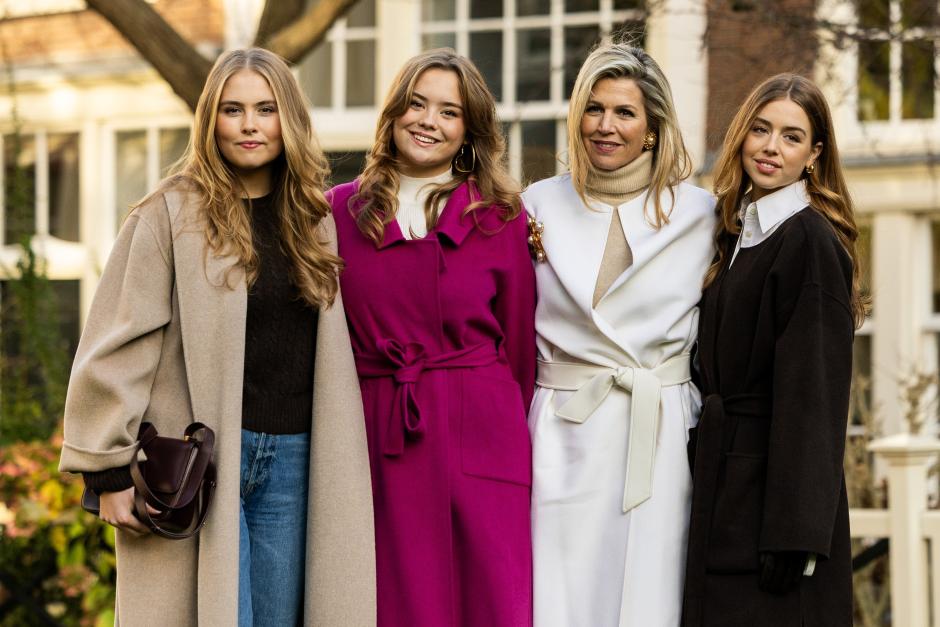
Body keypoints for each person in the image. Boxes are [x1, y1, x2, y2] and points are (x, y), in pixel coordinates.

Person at [58, 48, 376, 626]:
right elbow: (117, 340)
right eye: (233, 109)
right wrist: (105, 471)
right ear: (211, 119)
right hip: (197, 461)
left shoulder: (314, 219)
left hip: (294, 462)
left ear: (289, 120)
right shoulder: (167, 214)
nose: (250, 125)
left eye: (265, 108)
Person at [327, 48, 536, 627]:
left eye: (448, 111)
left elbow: (519, 346)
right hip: (380, 430)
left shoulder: (501, 216)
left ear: (469, 129)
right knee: (395, 598)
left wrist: (493, 419)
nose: (428, 121)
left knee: (489, 597)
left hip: (482, 430)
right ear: (393, 114)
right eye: (416, 104)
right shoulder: (339, 212)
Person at [522, 42, 716, 626]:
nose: (606, 126)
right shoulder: (535, 205)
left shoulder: (701, 215)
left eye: (625, 113)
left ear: (654, 128)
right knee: (560, 593)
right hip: (563, 428)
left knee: (649, 591)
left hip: (657, 429)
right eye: (594, 108)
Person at [682, 73, 862, 627]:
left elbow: (816, 395)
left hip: (774, 515)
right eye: (760, 130)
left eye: (790, 136)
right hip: (724, 488)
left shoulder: (810, 241)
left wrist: (796, 535)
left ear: (814, 154)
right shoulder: (736, 233)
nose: (770, 147)